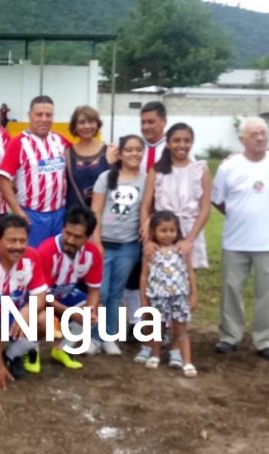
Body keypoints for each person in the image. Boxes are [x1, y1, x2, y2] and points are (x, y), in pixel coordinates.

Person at [212, 118, 269, 361]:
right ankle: (230, 336)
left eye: (263, 133)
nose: (260, 138)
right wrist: (238, 214)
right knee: (231, 290)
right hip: (235, 242)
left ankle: (267, 340)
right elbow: (217, 199)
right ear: (242, 139)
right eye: (254, 134)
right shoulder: (228, 167)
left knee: (268, 293)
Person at [0, 214, 52, 388]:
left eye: (22, 241)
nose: (18, 246)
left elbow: (41, 294)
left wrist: (27, 311)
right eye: (12, 240)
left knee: (46, 320)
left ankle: (13, 355)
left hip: (13, 312)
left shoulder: (32, 256)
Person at [89, 135, 145, 356]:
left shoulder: (145, 180)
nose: (134, 154)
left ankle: (109, 336)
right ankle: (94, 336)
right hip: (104, 244)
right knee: (99, 293)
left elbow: (146, 210)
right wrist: (96, 241)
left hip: (128, 246)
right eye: (129, 149)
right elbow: (95, 210)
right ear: (120, 153)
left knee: (115, 293)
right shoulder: (106, 177)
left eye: (138, 149)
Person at [120, 101, 172, 330]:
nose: (147, 126)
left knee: (162, 273)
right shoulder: (135, 148)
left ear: (163, 121)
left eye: (151, 121)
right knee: (133, 272)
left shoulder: (171, 149)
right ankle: (136, 321)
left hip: (164, 222)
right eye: (143, 122)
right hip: (135, 219)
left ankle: (163, 324)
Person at [0, 95, 70, 247]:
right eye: (39, 114)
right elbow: (3, 181)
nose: (44, 119)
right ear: (30, 115)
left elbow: (81, 155)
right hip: (33, 215)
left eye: (48, 115)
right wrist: (17, 211)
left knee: (57, 255)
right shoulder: (18, 143)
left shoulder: (60, 140)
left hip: (59, 214)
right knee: (33, 256)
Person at [140, 123, 211, 269]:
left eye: (187, 140)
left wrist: (189, 240)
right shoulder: (157, 170)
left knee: (188, 276)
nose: (182, 145)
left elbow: (205, 209)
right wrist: (148, 240)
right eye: (176, 140)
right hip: (162, 230)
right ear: (167, 143)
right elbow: (145, 206)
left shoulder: (200, 170)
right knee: (160, 274)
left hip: (190, 230)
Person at [38, 207, 102, 364]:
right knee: (43, 319)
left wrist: (89, 311)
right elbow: (41, 296)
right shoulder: (46, 251)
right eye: (68, 233)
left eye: (77, 237)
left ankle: (62, 350)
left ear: (88, 237)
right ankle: (30, 352)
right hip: (38, 299)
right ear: (63, 228)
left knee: (97, 310)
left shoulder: (92, 253)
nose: (71, 240)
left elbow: (94, 290)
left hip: (63, 296)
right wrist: (71, 314)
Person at [139, 211, 198, 378]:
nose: (168, 234)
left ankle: (187, 362)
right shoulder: (151, 251)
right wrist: (144, 299)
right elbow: (144, 276)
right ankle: (155, 355)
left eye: (172, 230)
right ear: (154, 231)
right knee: (157, 328)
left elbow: (190, 272)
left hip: (179, 296)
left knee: (181, 329)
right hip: (158, 296)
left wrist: (193, 294)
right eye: (163, 230)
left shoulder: (182, 250)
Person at [65, 106, 116, 212]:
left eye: (91, 122)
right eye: (82, 122)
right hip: (75, 215)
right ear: (75, 126)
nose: (87, 126)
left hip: (102, 214)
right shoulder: (67, 154)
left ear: (97, 124)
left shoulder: (109, 151)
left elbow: (117, 183)